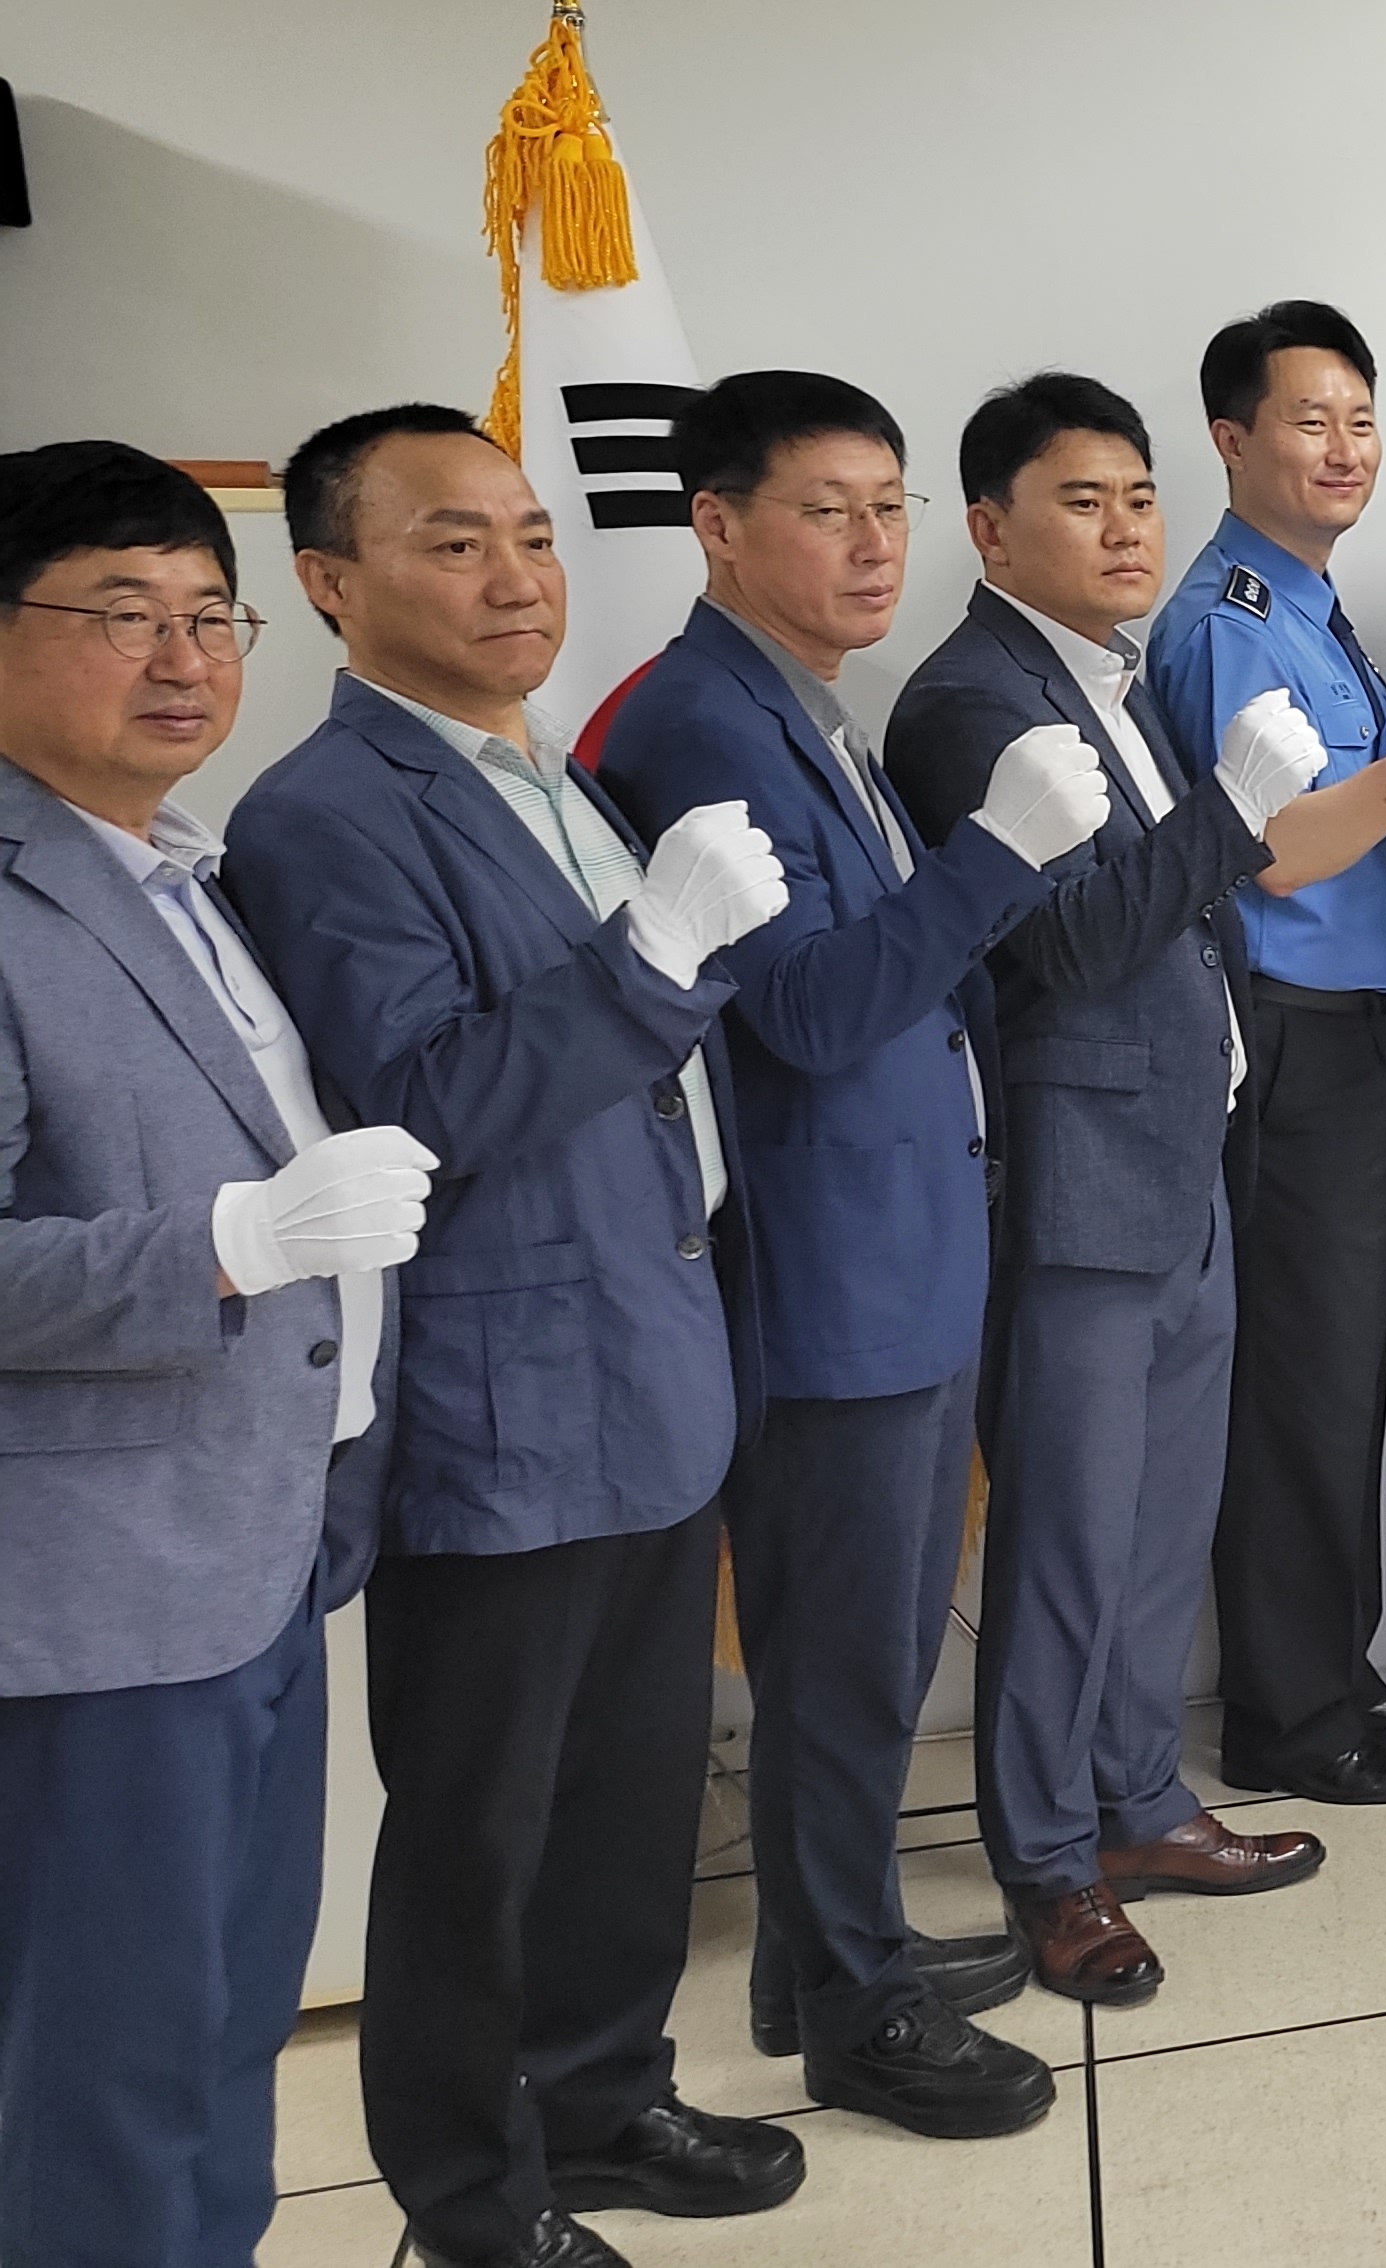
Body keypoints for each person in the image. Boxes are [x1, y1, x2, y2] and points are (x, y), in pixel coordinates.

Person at [229, 407, 801, 2268]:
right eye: (453, 542)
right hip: (503, 1398)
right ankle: (472, 2198)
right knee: (481, 1829)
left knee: (633, 1794)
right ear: (330, 582)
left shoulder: (557, 779)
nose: (516, 578)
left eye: (534, 536)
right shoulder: (325, 814)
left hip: (653, 1354)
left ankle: (608, 2098)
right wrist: (653, 956)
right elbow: (424, 1095)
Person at [588, 373, 1071, 2134]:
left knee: (866, 1646)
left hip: (900, 1245)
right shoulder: (706, 724)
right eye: (827, 510)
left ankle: (820, 1953)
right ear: (718, 527)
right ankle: (859, 2015)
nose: (874, 545)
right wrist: (998, 856)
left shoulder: (800, 699)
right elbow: (807, 1011)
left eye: (890, 507)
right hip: (827, 1268)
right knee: (846, 1654)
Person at [882, 374, 1368, 2012]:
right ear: (990, 527)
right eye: (1081, 502)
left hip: (1181, 1155)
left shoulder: (1112, 673)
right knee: (1069, 1540)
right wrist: (1234, 812)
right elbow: (1073, 944)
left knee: (1162, 1526)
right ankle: (1045, 1858)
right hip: (1080, 1175)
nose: (1124, 529)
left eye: (1139, 497)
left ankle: (1140, 1799)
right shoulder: (971, 700)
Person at [0, 441, 428, 2268]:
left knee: (226, 2027)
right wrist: (230, 1244)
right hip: (96, 1605)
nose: (182, 659)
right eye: (122, 615)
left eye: (208, 617)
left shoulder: (183, 868)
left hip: (251, 1543)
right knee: (108, 2072)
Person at [1150, 300, 1386, 1805]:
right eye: (1308, 421)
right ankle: (1287, 1713)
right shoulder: (1229, 619)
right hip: (1291, 1039)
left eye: (1360, 420)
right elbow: (1276, 851)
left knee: (1342, 1373)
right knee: (1298, 1379)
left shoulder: (1311, 606)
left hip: (1361, 1035)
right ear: (1232, 439)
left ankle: (1334, 1666)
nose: (1344, 449)